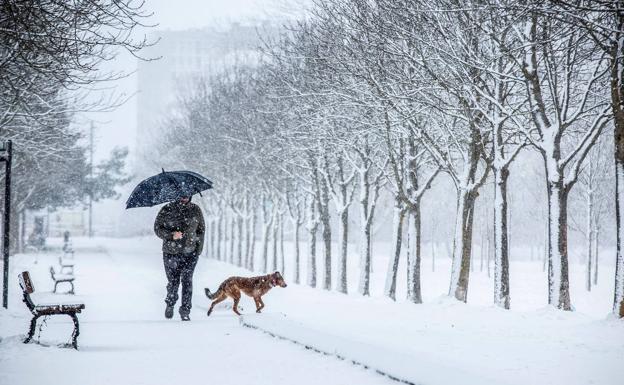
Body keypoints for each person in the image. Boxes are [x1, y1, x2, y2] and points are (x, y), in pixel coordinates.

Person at [154, 195, 205, 321]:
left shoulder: (196, 209)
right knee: (173, 281)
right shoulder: (167, 209)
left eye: (187, 195)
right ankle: (170, 303)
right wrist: (171, 235)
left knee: (187, 281)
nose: (185, 197)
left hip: (190, 252)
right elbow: (157, 228)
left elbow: (201, 231)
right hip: (171, 252)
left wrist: (198, 250)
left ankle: (185, 310)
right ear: (176, 195)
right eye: (182, 195)